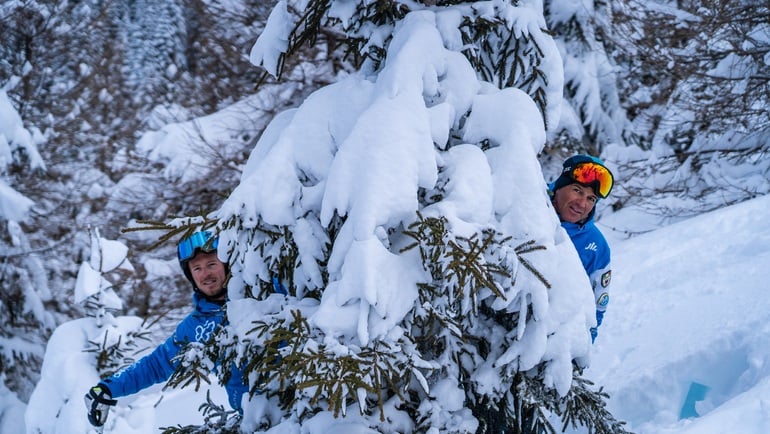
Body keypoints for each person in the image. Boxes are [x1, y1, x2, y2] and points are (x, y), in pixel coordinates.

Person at [84, 230, 248, 428]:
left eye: (211, 264)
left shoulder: (261, 292)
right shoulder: (196, 327)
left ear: (226, 265)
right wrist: (108, 388)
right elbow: (157, 365)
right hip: (255, 419)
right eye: (197, 268)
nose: (205, 274)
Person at [548, 155, 613, 343]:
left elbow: (598, 306)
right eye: (577, 190)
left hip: (553, 340)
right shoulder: (531, 207)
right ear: (560, 187)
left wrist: (582, 345)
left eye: (591, 198)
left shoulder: (596, 246)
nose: (582, 204)